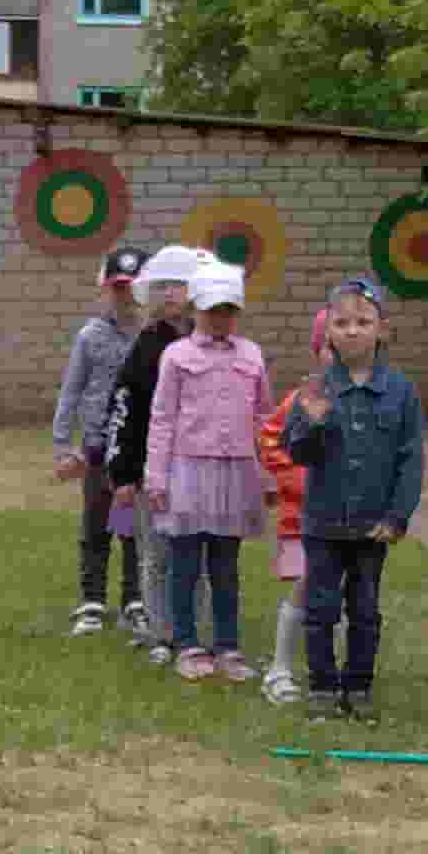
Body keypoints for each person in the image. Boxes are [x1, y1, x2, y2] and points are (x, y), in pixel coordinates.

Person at [282, 276, 428, 723]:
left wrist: (397, 515)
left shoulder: (401, 392)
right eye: (341, 322)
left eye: (363, 321)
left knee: (364, 610)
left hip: (372, 526)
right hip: (323, 523)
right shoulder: (315, 389)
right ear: (327, 332)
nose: (351, 330)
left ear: (382, 329)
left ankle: (359, 686)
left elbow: (411, 459)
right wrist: (312, 423)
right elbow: (297, 453)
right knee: (321, 607)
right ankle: (324, 687)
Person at [144, 262, 270, 683]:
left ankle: (228, 645)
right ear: (196, 308)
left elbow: (262, 417)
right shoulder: (176, 356)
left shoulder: (251, 355)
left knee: (225, 564)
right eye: (213, 309)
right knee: (184, 562)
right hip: (187, 471)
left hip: (235, 472)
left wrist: (268, 472)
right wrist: (156, 477)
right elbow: (161, 418)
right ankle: (187, 642)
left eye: (229, 310)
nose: (221, 318)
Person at [102, 247, 200, 662]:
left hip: (200, 468)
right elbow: (124, 411)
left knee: (196, 554)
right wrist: (123, 473)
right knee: (155, 554)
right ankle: (161, 632)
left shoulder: (208, 340)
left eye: (177, 285)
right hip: (150, 471)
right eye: (160, 286)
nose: (169, 294)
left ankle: (196, 632)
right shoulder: (144, 348)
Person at [49, 244, 150, 635]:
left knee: (132, 527)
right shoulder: (89, 337)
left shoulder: (156, 339)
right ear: (104, 291)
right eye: (117, 288)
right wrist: (63, 445)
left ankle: (134, 599)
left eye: (133, 288)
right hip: (97, 448)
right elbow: (72, 392)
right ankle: (92, 599)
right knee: (97, 523)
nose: (125, 296)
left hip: (138, 451)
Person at [252, 363, 313, 707]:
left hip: (353, 518)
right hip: (306, 517)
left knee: (347, 590)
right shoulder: (302, 399)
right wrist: (295, 478)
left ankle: (331, 673)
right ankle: (280, 669)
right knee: (307, 583)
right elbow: (270, 437)